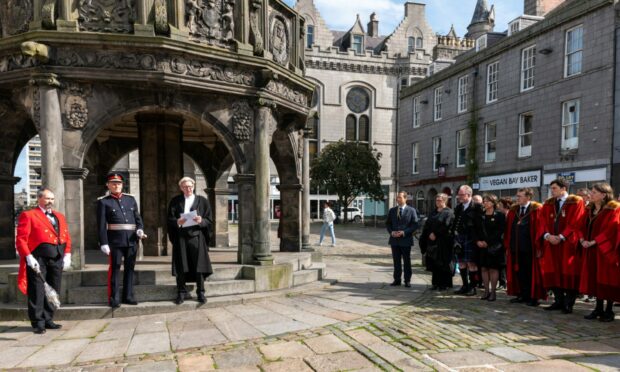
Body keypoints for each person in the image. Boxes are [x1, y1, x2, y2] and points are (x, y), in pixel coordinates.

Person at [16, 188, 72, 334]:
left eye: (52, 199)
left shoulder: (59, 216)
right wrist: (28, 256)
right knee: (37, 290)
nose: (50, 202)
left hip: (57, 257)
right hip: (38, 258)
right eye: (47, 199)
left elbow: (66, 237)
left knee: (53, 288)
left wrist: (67, 254)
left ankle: (48, 319)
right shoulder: (29, 215)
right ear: (39, 199)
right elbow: (21, 239)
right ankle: (37, 322)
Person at [97, 173, 146, 308]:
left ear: (122, 185)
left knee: (130, 269)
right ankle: (114, 298)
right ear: (108, 185)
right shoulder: (103, 202)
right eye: (113, 183)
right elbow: (101, 224)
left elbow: (138, 219)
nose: (116, 185)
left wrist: (140, 230)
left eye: (118, 183)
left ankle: (128, 296)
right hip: (115, 241)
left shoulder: (130, 200)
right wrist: (104, 242)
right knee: (115, 269)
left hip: (131, 240)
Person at [538, 177, 585, 314]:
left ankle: (568, 303)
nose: (551, 191)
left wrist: (561, 237)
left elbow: (576, 222)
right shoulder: (548, 203)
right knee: (553, 271)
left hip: (567, 244)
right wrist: (547, 236)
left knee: (569, 272)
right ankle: (558, 301)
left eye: (554, 188)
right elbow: (542, 222)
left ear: (563, 188)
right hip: (551, 243)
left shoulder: (576, 202)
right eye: (551, 188)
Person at [168, 177, 214, 305]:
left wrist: (202, 221)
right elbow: (169, 219)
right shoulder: (175, 202)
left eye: (190, 186)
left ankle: (201, 292)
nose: (188, 189)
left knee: (199, 265)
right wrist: (177, 221)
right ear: (181, 188)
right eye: (185, 186)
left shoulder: (203, 201)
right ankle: (181, 293)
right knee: (181, 265)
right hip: (181, 237)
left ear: (193, 186)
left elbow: (209, 220)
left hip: (197, 237)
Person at [579, 183, 620, 322]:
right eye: (591, 191)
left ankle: (608, 311)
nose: (591, 194)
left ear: (603, 195)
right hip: (591, 250)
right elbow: (581, 225)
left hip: (605, 251)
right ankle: (598, 308)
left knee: (606, 280)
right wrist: (582, 239)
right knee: (594, 279)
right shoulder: (589, 209)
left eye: (594, 192)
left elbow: (611, 229)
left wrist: (595, 241)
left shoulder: (613, 209)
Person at [504, 188, 545, 307]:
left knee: (530, 273)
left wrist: (539, 247)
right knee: (519, 273)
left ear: (528, 197)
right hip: (516, 248)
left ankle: (533, 297)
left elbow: (540, 229)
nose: (517, 198)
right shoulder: (514, 210)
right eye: (517, 196)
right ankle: (522, 294)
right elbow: (508, 230)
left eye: (520, 196)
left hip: (530, 249)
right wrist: (508, 246)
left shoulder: (536, 209)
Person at [451, 185, 485, 296]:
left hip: (471, 239)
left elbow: (480, 225)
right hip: (459, 238)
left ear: (469, 195)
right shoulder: (459, 207)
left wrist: (479, 239)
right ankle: (465, 285)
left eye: (461, 195)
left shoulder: (477, 207)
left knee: (472, 264)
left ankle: (473, 287)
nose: (459, 197)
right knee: (461, 263)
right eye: (459, 194)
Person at [419, 193, 454, 290]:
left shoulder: (448, 212)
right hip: (432, 242)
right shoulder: (433, 212)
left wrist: (436, 233)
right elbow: (428, 225)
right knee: (434, 263)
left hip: (443, 242)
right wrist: (429, 233)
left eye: (440, 200)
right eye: (436, 200)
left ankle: (444, 284)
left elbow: (446, 226)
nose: (437, 202)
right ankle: (435, 283)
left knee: (442, 263)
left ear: (445, 201)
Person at [386, 191, 419, 287]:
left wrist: (404, 232)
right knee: (396, 261)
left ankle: (407, 280)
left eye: (400, 197)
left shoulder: (411, 210)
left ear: (405, 198)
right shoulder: (392, 210)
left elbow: (415, 224)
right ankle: (397, 279)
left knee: (406, 261)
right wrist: (391, 232)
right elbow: (388, 223)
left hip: (406, 240)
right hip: (394, 240)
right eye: (397, 197)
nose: (398, 199)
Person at [478, 194, 505, 302]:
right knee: (484, 268)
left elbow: (499, 231)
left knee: (493, 268)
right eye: (484, 201)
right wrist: (478, 241)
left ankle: (493, 292)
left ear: (493, 203)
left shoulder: (499, 215)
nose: (485, 203)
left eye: (487, 201)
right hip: (482, 246)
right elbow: (477, 229)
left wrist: (487, 242)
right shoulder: (481, 215)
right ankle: (486, 291)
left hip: (494, 247)